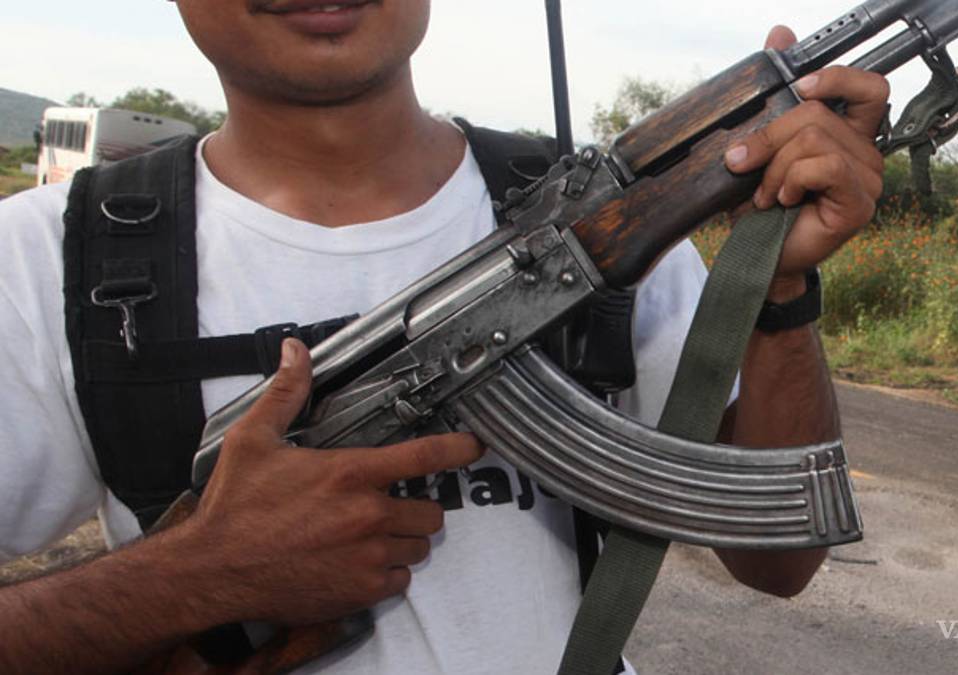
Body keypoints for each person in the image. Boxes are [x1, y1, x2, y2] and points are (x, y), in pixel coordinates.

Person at [0, 1, 889, 673]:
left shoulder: (600, 222)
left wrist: (775, 282)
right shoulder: (47, 260)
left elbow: (782, 560)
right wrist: (199, 574)